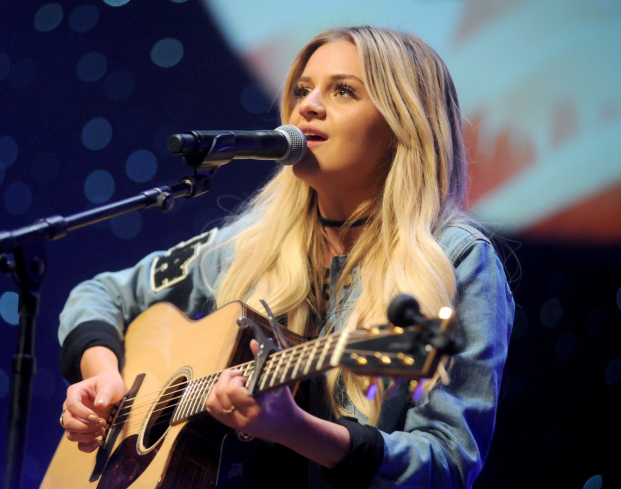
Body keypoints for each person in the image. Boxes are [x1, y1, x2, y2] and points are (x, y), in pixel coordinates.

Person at [54, 25, 515, 488]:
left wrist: (297, 429)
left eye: (343, 91)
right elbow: (98, 294)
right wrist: (104, 379)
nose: (308, 106)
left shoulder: (458, 261)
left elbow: (448, 463)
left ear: (401, 127)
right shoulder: (249, 245)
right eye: (301, 90)